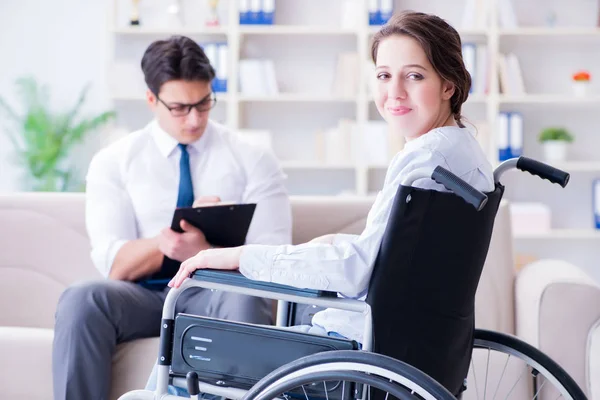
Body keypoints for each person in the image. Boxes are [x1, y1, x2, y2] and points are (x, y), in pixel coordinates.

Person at [167, 10, 495, 347]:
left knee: (185, 344)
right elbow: (392, 259)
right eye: (384, 75)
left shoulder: (426, 161)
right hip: (412, 342)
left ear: (448, 85)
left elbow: (355, 271)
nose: (394, 92)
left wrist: (238, 256)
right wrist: (334, 242)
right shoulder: (463, 152)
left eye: (413, 76)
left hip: (354, 345)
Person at [52, 35, 292, 400]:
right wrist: (169, 243)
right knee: (82, 298)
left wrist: (209, 250)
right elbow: (115, 265)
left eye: (203, 103)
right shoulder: (115, 161)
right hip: (145, 297)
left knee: (245, 299)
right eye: (180, 107)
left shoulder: (253, 159)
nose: (194, 119)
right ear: (152, 99)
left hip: (220, 293)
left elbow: (276, 256)